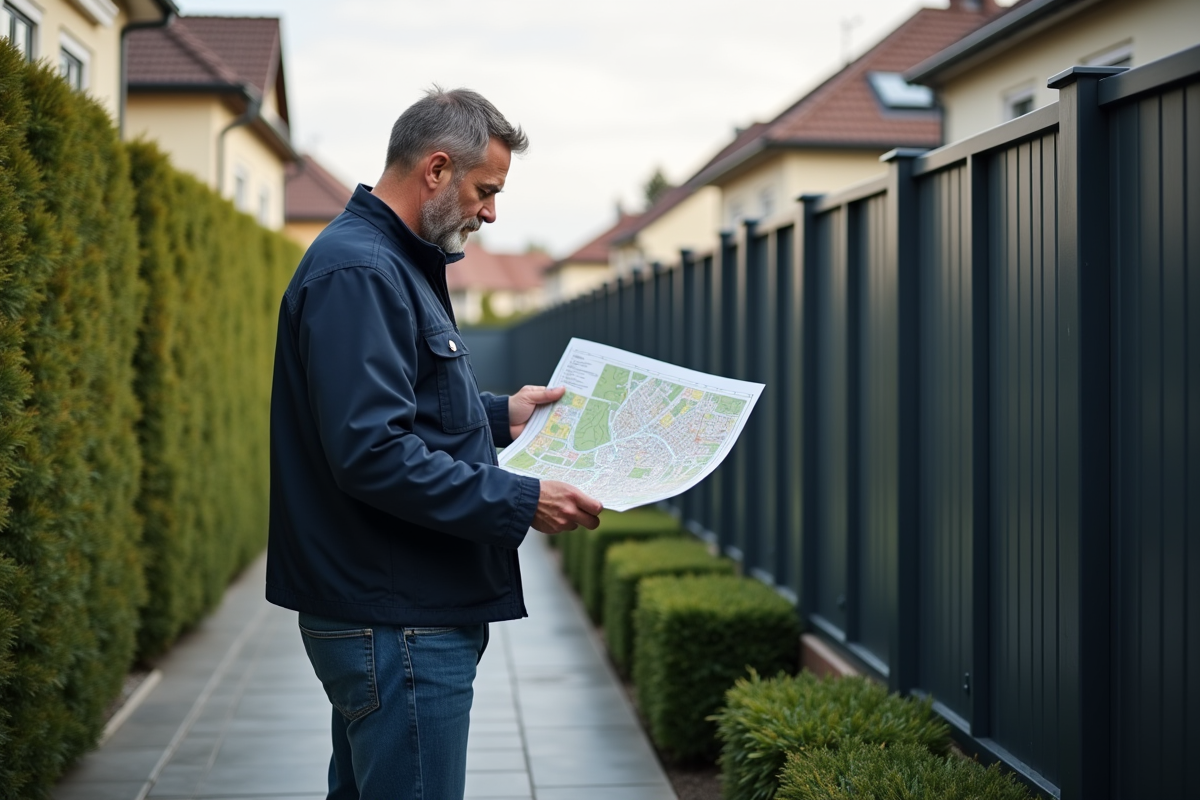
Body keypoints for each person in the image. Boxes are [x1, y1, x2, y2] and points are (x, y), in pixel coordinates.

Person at [266, 87, 602, 800]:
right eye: (486, 190)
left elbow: (402, 406)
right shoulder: (362, 271)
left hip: (392, 616)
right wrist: (521, 498)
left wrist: (500, 415)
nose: (490, 212)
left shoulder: (384, 261)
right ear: (437, 169)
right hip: (397, 623)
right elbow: (372, 452)